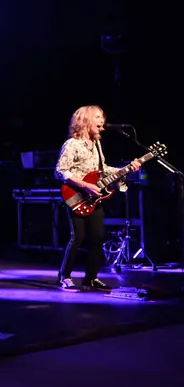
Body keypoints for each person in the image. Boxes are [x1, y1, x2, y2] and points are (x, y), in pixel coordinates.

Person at [54, 105, 141, 291]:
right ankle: (64, 276)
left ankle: (91, 278)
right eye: (98, 116)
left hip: (94, 198)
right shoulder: (72, 145)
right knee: (77, 237)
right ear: (85, 120)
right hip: (76, 195)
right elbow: (61, 171)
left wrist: (126, 169)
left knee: (98, 236)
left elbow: (102, 170)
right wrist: (85, 185)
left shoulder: (97, 144)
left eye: (103, 116)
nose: (102, 120)